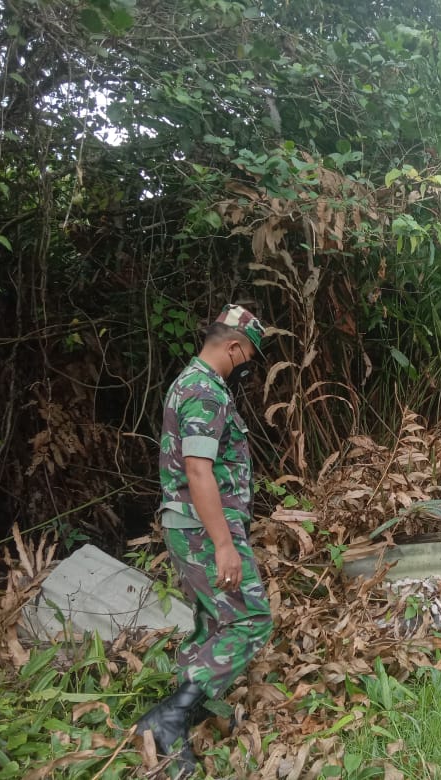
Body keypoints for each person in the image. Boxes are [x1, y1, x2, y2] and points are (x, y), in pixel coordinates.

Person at [136, 304, 273, 775]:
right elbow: (198, 470)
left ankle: (178, 726)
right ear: (233, 346)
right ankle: (169, 718)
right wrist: (223, 544)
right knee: (250, 619)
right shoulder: (203, 390)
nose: (247, 366)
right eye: (248, 357)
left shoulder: (191, 383)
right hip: (202, 530)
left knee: (214, 622)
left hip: (192, 527)